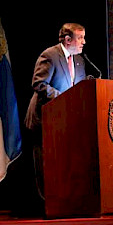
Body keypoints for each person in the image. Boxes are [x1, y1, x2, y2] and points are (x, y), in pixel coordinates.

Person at [24, 23, 87, 205]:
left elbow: (79, 90)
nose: (84, 42)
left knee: (64, 164)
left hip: (66, 122)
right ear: (68, 40)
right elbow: (39, 84)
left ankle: (64, 202)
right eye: (80, 38)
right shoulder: (50, 55)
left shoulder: (79, 61)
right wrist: (63, 98)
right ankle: (46, 203)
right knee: (45, 164)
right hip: (44, 120)